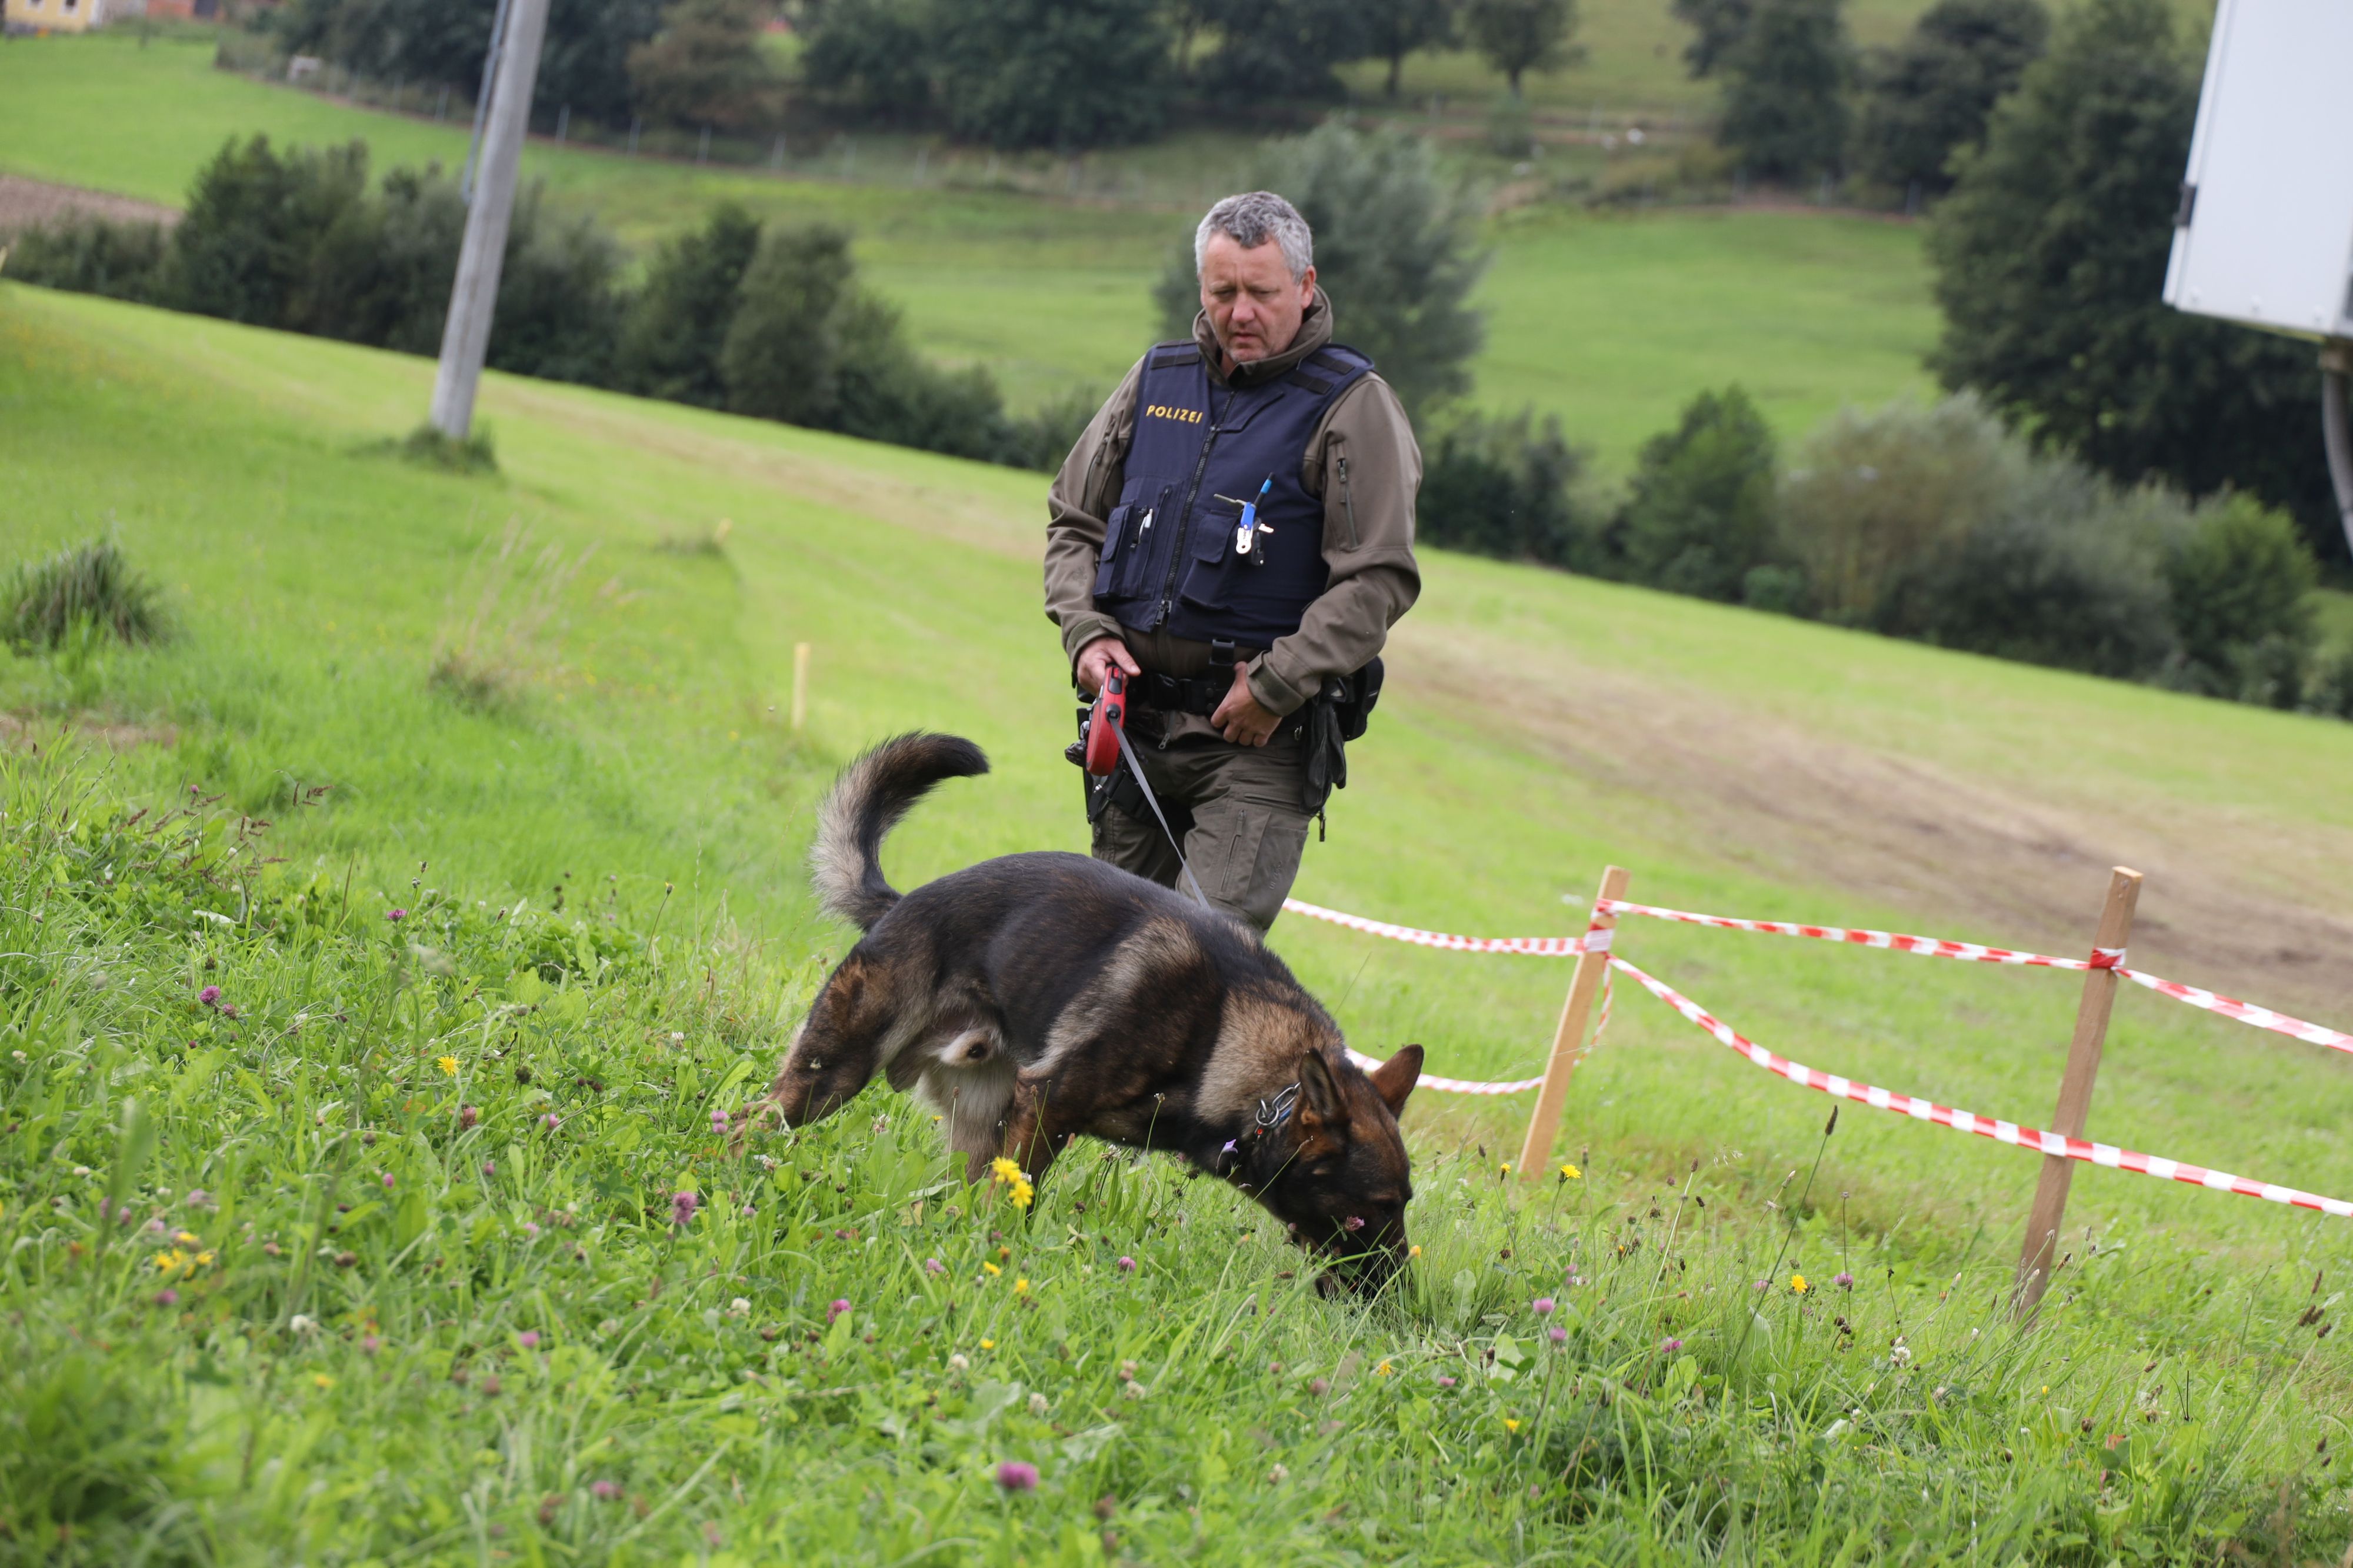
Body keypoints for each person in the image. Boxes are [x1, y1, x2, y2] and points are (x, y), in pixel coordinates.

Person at [1043, 191, 1422, 931]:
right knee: (1094, 958)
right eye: (1223, 292)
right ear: (1201, 289)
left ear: (1306, 286)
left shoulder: (1353, 405)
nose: (1240, 312)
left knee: (1187, 968)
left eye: (1261, 292)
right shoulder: (1157, 381)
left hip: (1256, 744)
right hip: (1137, 729)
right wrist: (1085, 633)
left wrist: (1278, 684)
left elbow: (1378, 577)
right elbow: (1073, 521)